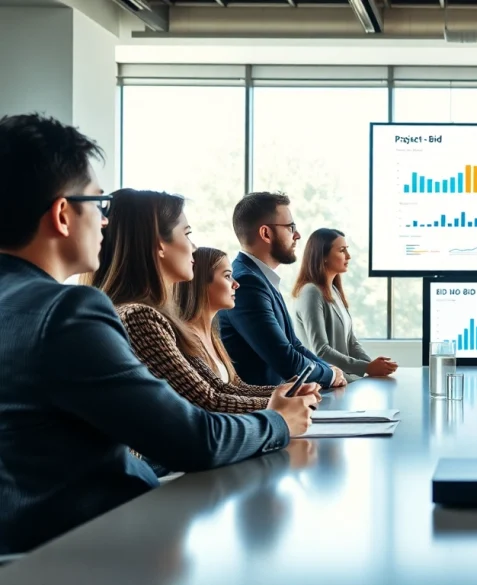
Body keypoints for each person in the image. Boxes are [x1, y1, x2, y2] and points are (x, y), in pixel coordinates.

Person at [0, 113, 317, 554]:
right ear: (62, 215)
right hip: (93, 553)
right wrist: (278, 421)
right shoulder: (68, 312)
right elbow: (192, 439)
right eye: (99, 204)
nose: (106, 222)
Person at [90, 190, 300, 413]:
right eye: (187, 234)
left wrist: (286, 394)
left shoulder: (156, 317)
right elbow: (208, 402)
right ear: (160, 244)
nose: (194, 247)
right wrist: (281, 408)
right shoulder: (139, 318)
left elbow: (218, 388)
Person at [219, 192, 347, 389]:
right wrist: (329, 375)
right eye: (290, 227)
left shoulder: (261, 278)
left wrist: (329, 369)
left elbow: (294, 344)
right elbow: (286, 360)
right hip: (259, 409)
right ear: (266, 233)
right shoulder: (246, 283)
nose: (297, 235)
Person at [292, 228, 397, 381]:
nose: (348, 256)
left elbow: (351, 342)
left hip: (343, 382)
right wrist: (366, 368)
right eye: (342, 250)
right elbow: (321, 351)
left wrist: (374, 366)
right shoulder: (311, 292)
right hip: (323, 387)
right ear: (323, 256)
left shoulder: (334, 290)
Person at [176, 247, 279, 395]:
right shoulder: (185, 339)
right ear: (202, 283)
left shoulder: (213, 335)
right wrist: (278, 402)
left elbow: (236, 387)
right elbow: (215, 398)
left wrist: (284, 391)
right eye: (227, 276)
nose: (236, 284)